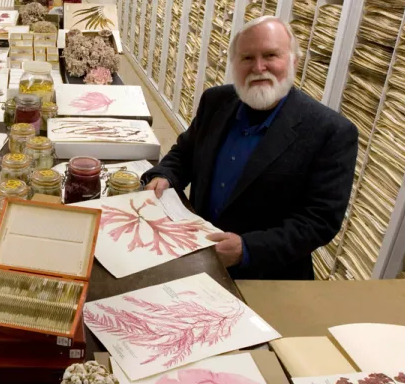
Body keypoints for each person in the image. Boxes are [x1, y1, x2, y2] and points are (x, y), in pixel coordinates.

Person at [143, 16, 357, 280]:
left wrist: (247, 250)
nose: (259, 67)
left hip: (267, 276)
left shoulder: (330, 132)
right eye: (247, 58)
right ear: (234, 64)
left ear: (294, 62)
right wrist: (165, 174)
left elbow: (319, 221)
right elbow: (185, 153)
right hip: (195, 254)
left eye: (270, 55)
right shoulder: (216, 101)